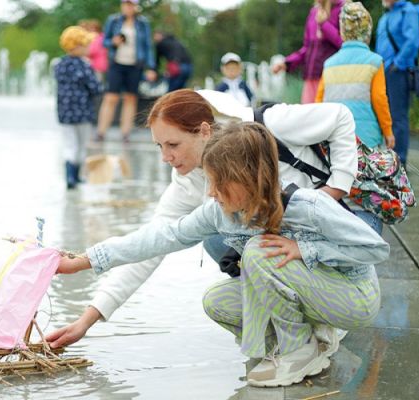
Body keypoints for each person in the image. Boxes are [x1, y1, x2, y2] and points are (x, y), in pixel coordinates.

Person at [55, 122, 388, 387]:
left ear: (248, 179)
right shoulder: (219, 211)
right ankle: (298, 346)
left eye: (218, 182)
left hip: (354, 299)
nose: (211, 192)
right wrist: (82, 261)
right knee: (218, 300)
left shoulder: (309, 206)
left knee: (258, 251)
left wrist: (307, 248)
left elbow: (375, 248)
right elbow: (160, 237)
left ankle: (298, 350)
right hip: (316, 294)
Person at [316, 1, 394, 234]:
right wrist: (388, 132)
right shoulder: (374, 61)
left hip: (333, 138)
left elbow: (319, 103)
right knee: (368, 193)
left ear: (341, 30)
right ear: (368, 32)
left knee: (340, 183)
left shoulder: (329, 64)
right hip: (367, 140)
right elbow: (380, 99)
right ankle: (366, 234)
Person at [95, 0, 157, 143]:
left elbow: (148, 46)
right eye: (125, 4)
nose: (128, 7)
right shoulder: (113, 20)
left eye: (131, 4)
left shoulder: (142, 23)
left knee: (131, 98)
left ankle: (125, 133)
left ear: (135, 7)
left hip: (135, 65)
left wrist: (151, 67)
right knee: (111, 97)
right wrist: (113, 42)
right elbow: (104, 42)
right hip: (116, 64)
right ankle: (101, 132)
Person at [375, 0, 419, 166]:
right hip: (383, 70)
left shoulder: (407, 11)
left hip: (398, 72)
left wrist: (397, 64)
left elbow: (413, 41)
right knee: (386, 114)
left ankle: (399, 162)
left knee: (398, 117)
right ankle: (389, 159)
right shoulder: (388, 14)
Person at [54, 26, 102, 189]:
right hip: (82, 111)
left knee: (69, 144)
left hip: (64, 112)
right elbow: (95, 87)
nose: (89, 48)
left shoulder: (59, 64)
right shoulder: (84, 66)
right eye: (87, 45)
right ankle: (75, 176)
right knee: (81, 144)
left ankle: (69, 176)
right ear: (78, 46)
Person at [272, 0, 346, 104]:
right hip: (310, 78)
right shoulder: (313, 12)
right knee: (307, 116)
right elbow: (307, 48)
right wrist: (287, 63)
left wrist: (324, 25)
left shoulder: (342, 10)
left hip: (329, 79)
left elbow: (343, 43)